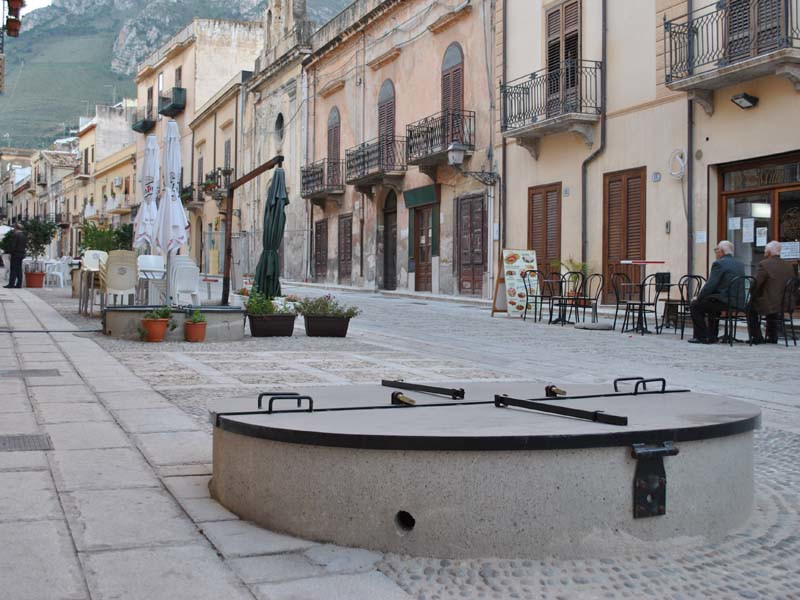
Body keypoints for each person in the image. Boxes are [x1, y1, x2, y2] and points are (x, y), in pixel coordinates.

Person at [689, 240, 745, 344]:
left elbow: (711, 285)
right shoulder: (740, 264)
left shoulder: (719, 264)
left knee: (695, 305)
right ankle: (712, 335)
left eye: (716, 250)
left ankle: (702, 336)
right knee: (711, 304)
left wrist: (698, 297)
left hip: (725, 301)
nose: (716, 253)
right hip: (738, 301)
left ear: (722, 252)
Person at [747, 241, 796, 344]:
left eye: (765, 249)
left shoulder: (764, 264)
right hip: (786, 303)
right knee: (770, 302)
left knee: (750, 309)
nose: (764, 251)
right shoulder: (789, 265)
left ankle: (757, 337)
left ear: (769, 252)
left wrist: (752, 295)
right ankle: (772, 337)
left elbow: (756, 283)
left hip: (772, 304)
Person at [4, 223, 27, 289]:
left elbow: (13, 246)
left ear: (16, 228)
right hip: (21, 254)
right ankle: (19, 284)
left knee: (13, 269)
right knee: (19, 269)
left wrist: (10, 252)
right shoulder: (23, 235)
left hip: (15, 254)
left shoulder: (16, 235)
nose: (13, 229)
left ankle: (11, 284)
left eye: (14, 228)